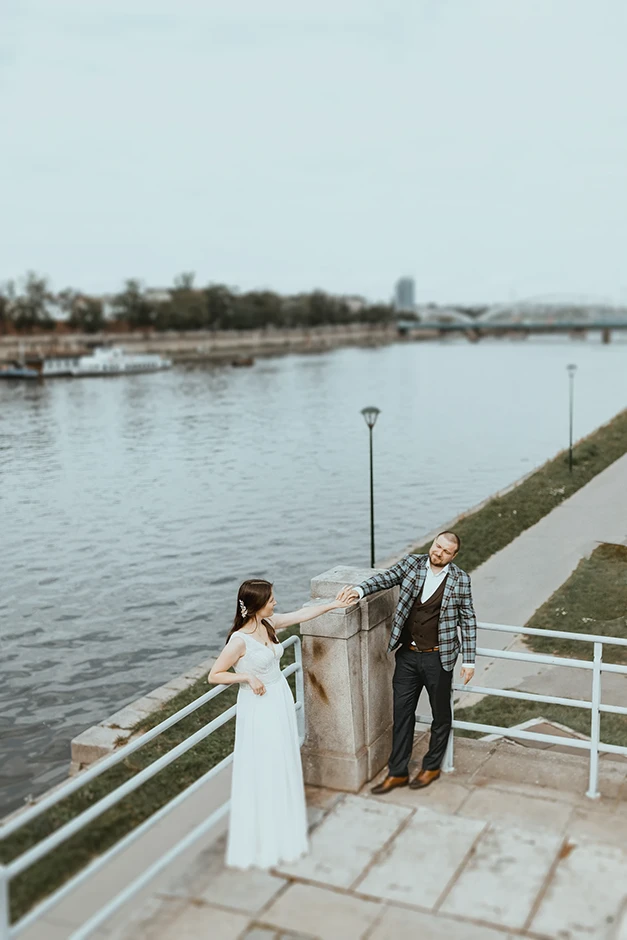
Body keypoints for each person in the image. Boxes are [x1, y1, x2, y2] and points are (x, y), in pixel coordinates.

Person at [208, 578, 351, 870]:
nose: (275, 602)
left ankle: (285, 825)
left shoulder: (268, 624)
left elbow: (300, 615)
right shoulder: (239, 641)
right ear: (257, 605)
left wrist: (335, 604)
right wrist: (246, 677)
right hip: (258, 706)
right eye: (271, 599)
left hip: (279, 698)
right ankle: (265, 835)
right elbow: (214, 675)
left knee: (282, 758)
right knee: (266, 763)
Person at [336, 531, 477, 793]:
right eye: (437, 547)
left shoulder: (460, 580)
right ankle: (397, 772)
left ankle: (431, 767)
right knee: (401, 715)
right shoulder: (411, 564)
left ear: (454, 556)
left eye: (446, 551)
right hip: (408, 656)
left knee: (441, 716)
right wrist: (358, 590)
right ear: (433, 544)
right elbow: (385, 578)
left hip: (439, 657)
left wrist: (469, 660)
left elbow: (468, 619)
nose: (439, 553)